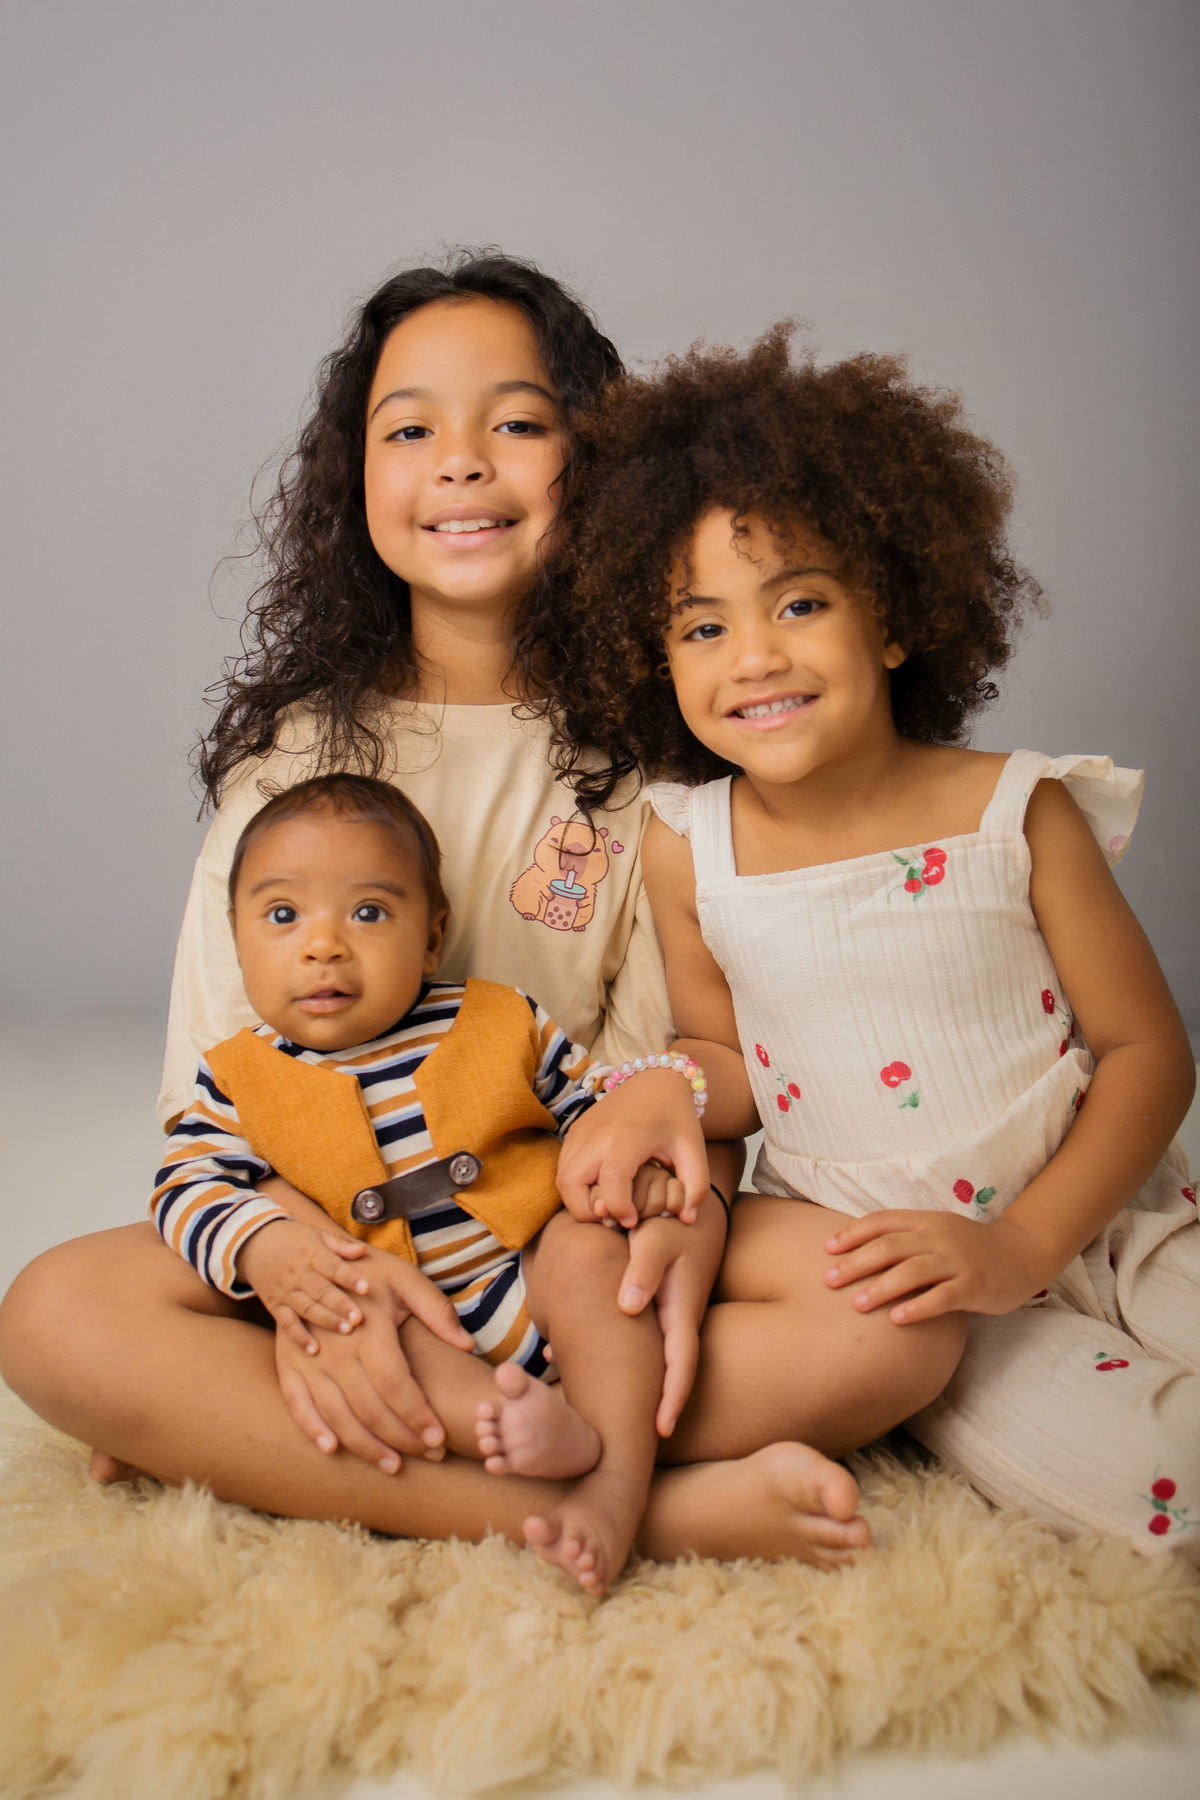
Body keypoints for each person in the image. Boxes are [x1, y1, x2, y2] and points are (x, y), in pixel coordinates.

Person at [0, 256, 961, 1572]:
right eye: (410, 431)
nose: (460, 461)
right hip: (339, 1242)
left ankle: (273, 1446)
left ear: (599, 464)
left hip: (577, 1234)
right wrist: (312, 1290)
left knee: (897, 1315)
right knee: (55, 1313)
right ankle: (638, 1509)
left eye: (515, 423)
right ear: (355, 481)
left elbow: (675, 1066)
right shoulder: (291, 768)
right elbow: (217, 1095)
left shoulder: (665, 755)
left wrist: (674, 1213)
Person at [539, 325, 1200, 1560]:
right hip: (916, 1282)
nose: (756, 658)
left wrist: (1027, 1241)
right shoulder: (691, 848)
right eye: (701, 628)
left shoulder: (1017, 810)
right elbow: (724, 1058)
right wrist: (667, 1088)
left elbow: (1147, 1051)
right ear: (652, 660)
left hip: (1111, 1210)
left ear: (891, 618)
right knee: (1168, 1475)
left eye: (799, 603)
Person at [159, 770, 709, 1592]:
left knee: (594, 1256)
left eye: (368, 913)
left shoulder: (500, 1017)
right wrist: (264, 1246)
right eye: (282, 917)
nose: (323, 945)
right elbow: (186, 1185)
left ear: (431, 935)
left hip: (534, 1280)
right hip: (410, 1326)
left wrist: (642, 1169)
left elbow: (595, 1110)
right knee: (365, 1333)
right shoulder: (235, 1078)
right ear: (236, 943)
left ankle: (614, 1482)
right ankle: (515, 1430)